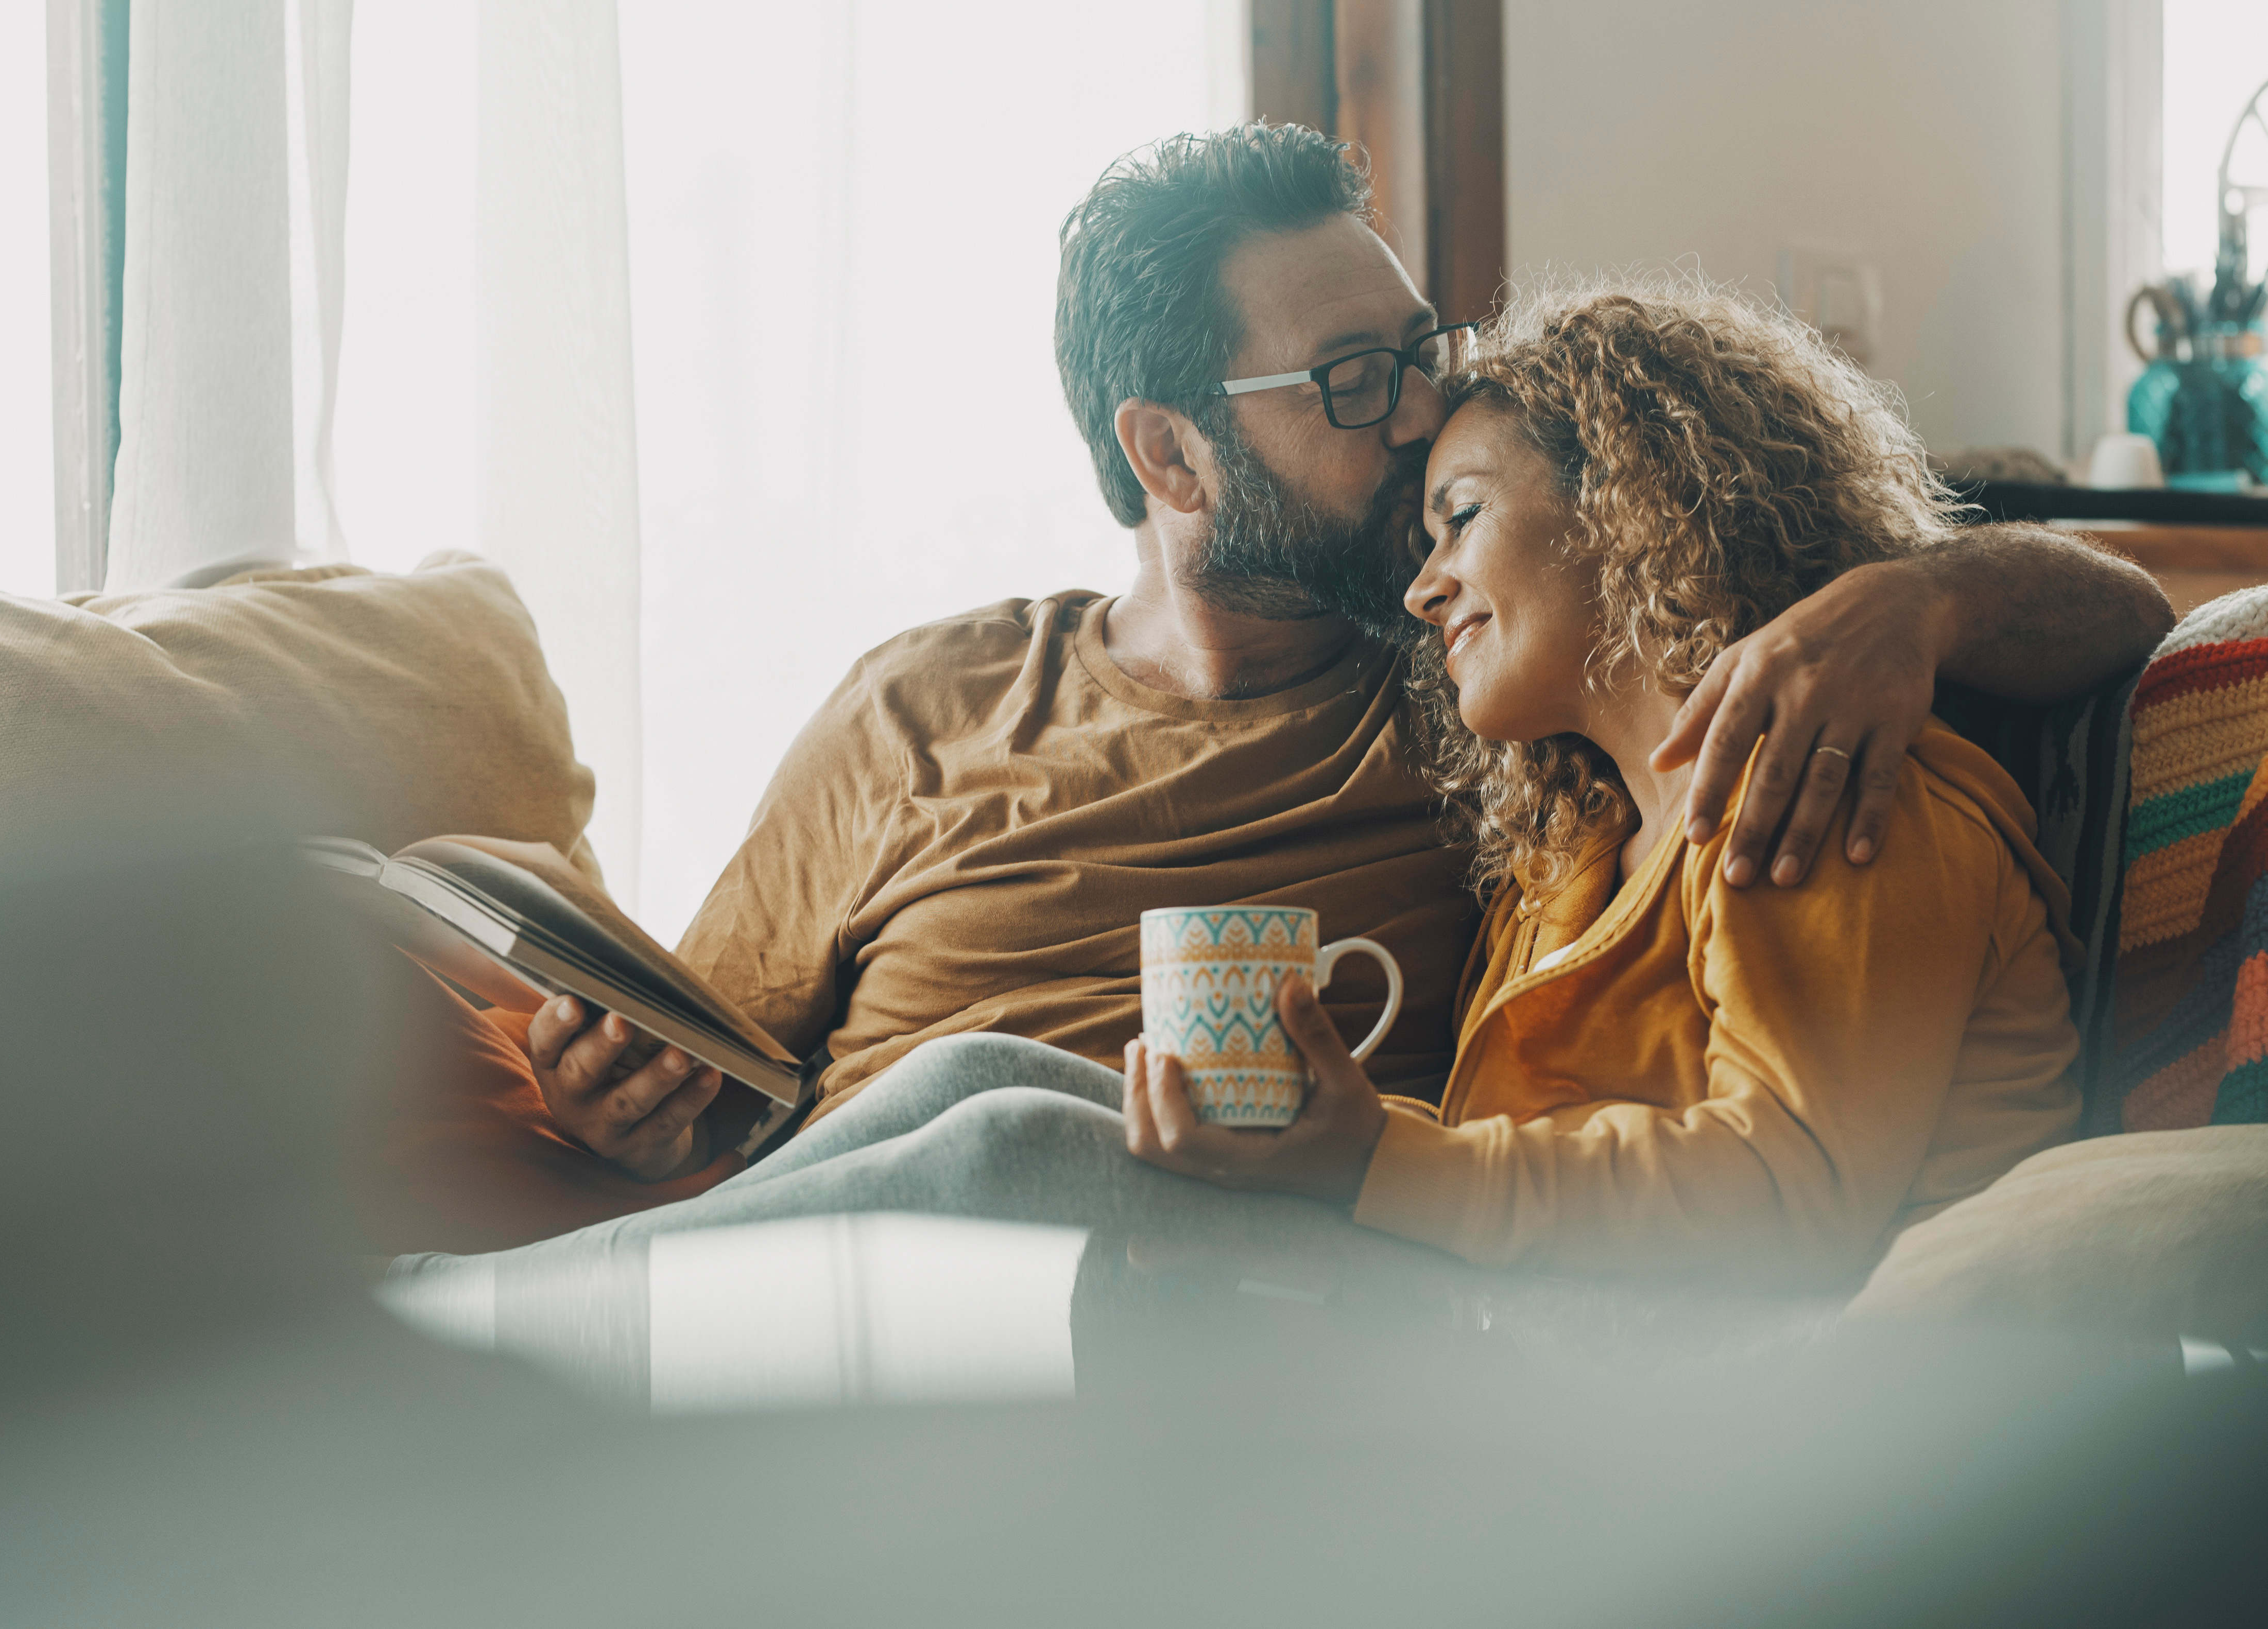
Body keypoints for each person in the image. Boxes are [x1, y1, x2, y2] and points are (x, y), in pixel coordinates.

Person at [510, 124, 2167, 1205]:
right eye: (1352, 379)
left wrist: (1912, 603)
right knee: (971, 1093)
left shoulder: (1493, 717)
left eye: (1416, 352)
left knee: (1010, 1108)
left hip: (1244, 1292)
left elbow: (2129, 624)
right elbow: (716, 1085)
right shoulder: (916, 708)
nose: (1417, 416)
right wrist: (627, 1114)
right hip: (857, 1280)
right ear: (1169, 458)